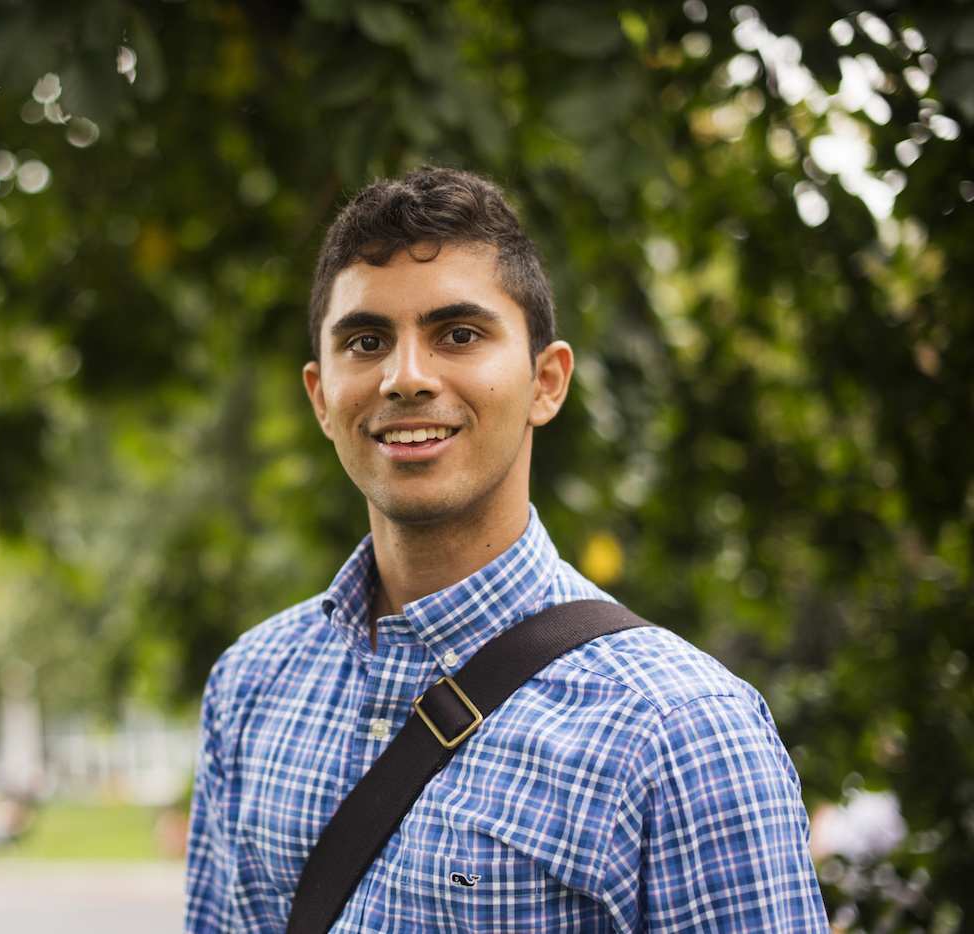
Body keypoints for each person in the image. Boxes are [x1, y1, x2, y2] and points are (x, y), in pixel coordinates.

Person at [184, 167, 828, 932]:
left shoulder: (682, 729)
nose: (406, 377)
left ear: (546, 382)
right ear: (322, 398)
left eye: (459, 334)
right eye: (367, 341)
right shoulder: (250, 687)